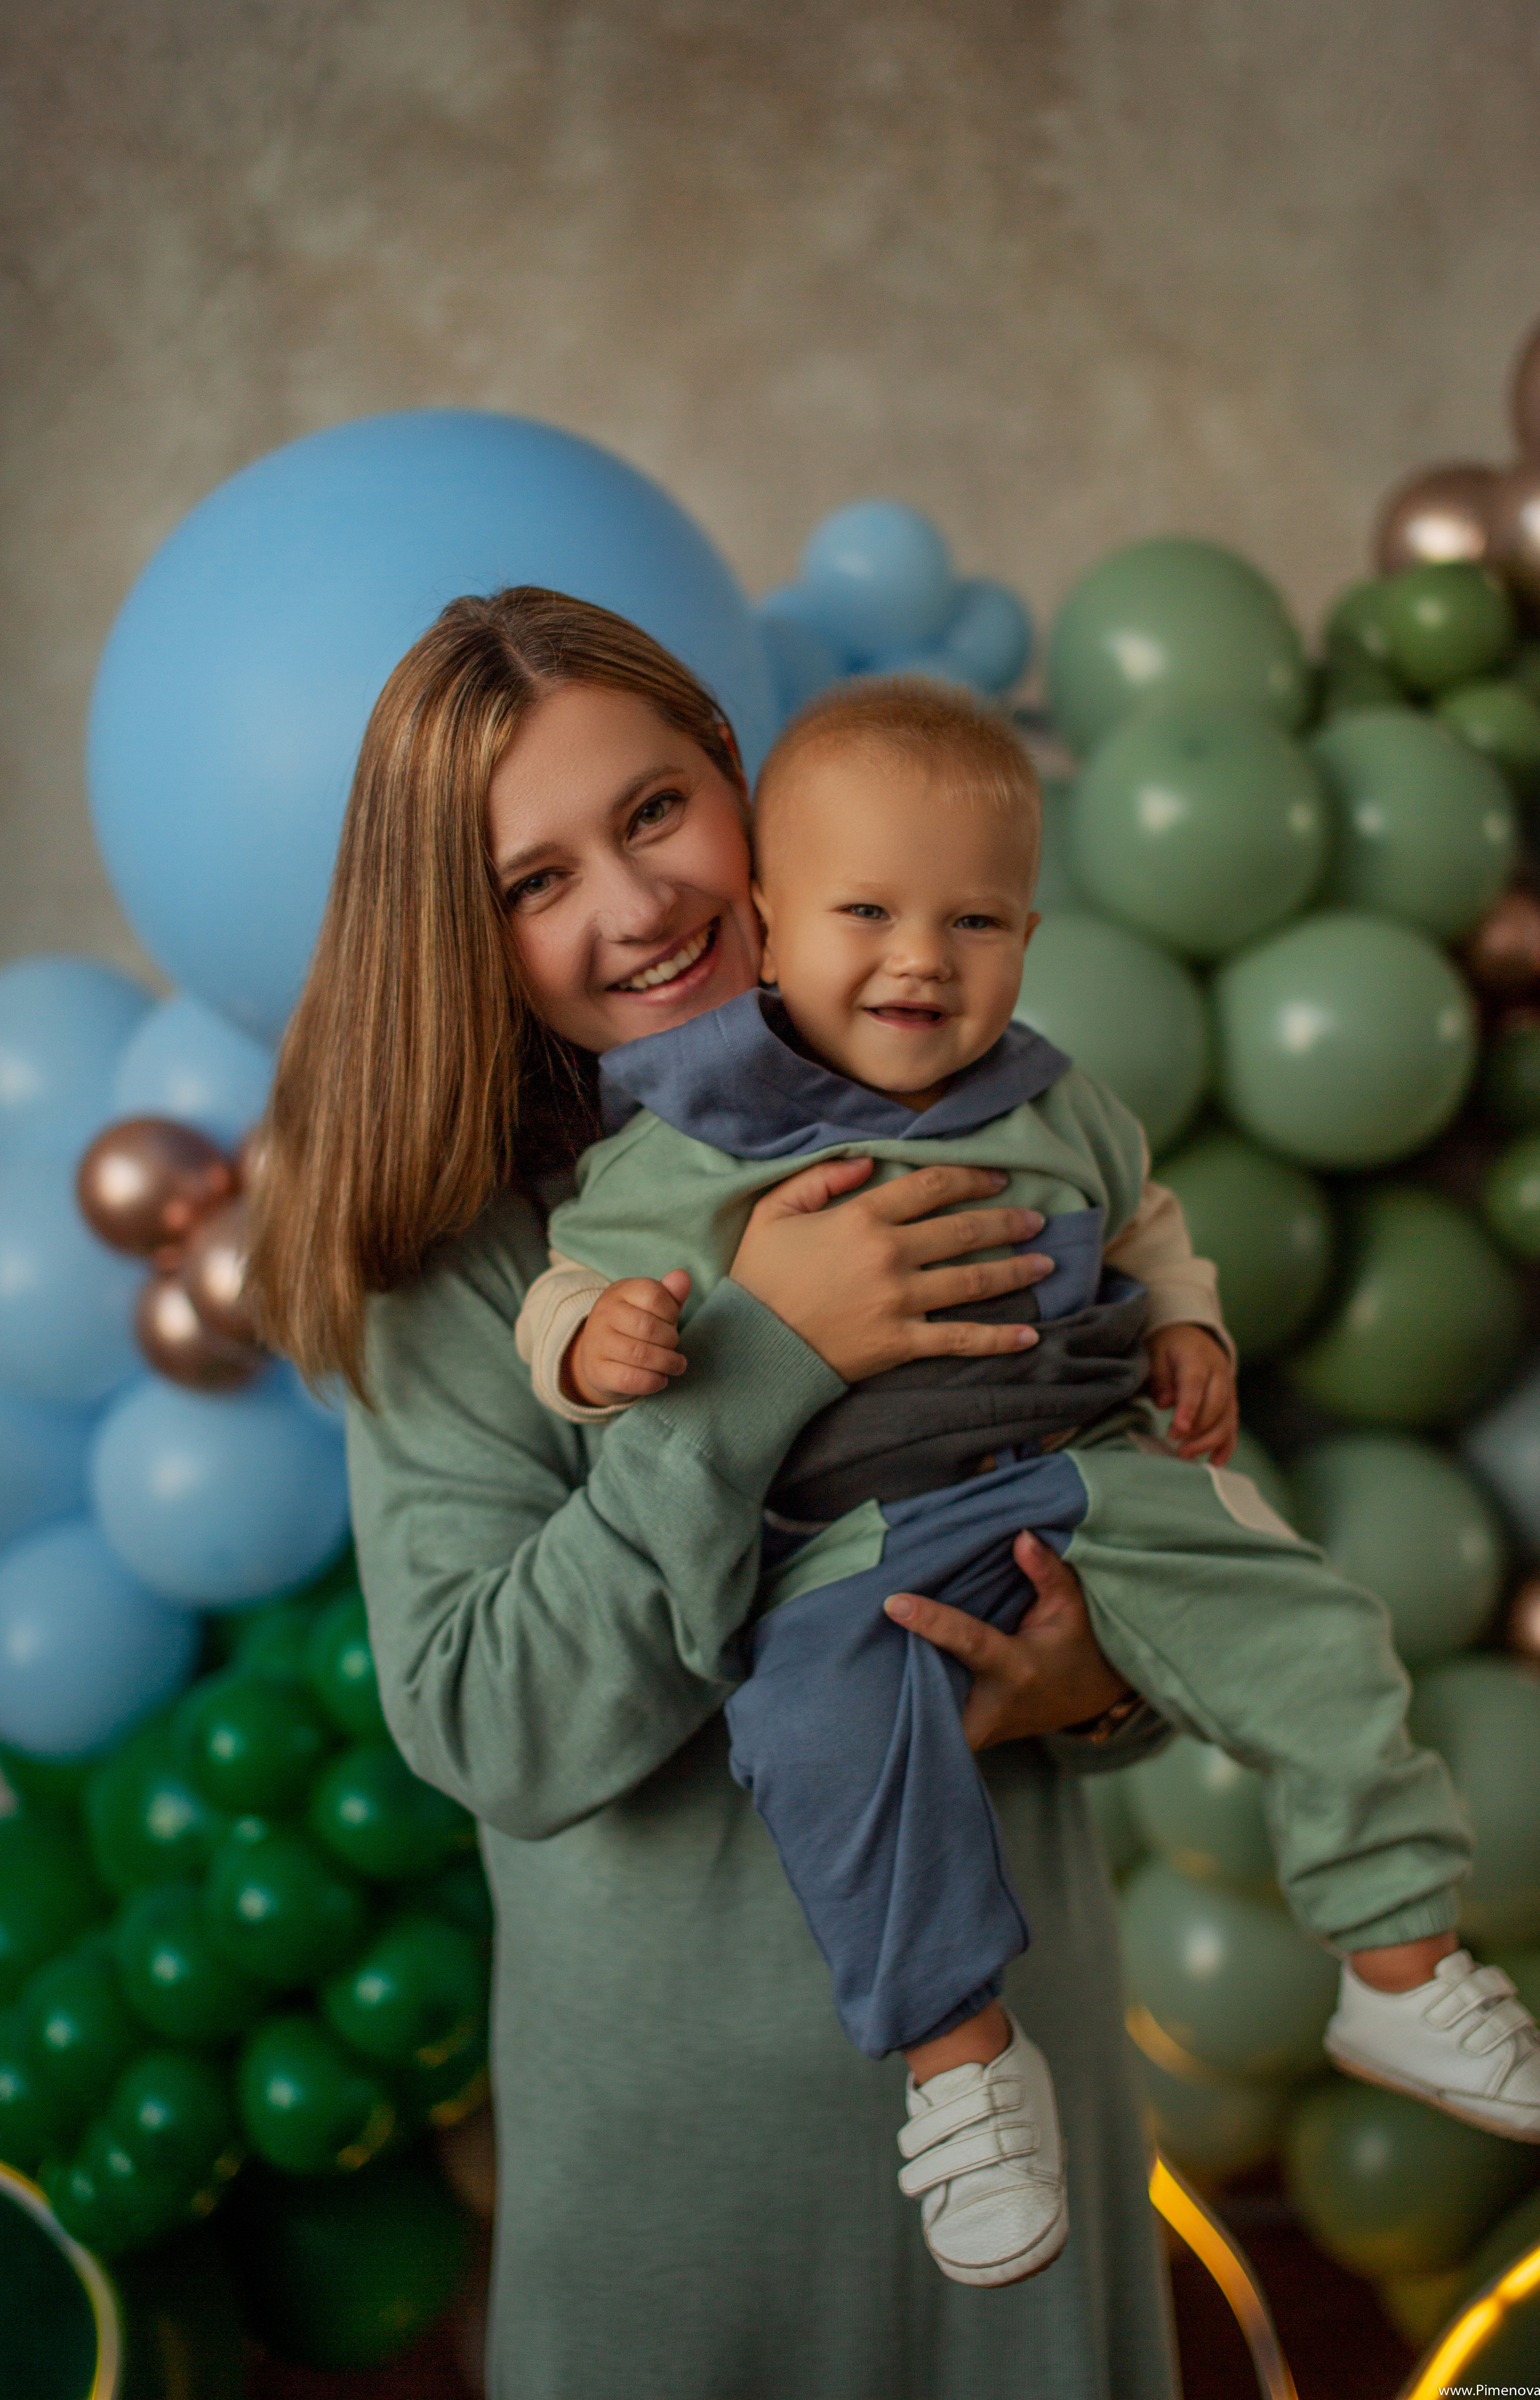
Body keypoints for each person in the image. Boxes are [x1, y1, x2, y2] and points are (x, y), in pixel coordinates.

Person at [514, 678, 1540, 2288]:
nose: (917, 960)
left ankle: (1397, 1960)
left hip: (1089, 1476)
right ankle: (957, 2074)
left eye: (975, 921)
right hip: (858, 1540)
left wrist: (1187, 1326)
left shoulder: (1051, 1096)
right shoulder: (699, 1129)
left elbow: (1145, 1222)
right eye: (863, 912)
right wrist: (592, 1341)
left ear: (1029, 933)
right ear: (767, 917)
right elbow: (569, 1274)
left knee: (1311, 1624)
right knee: (816, 1730)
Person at [250, 587, 1183, 2400]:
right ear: (467, 928)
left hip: (1032, 2104)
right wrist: (771, 1353)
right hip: (690, 2178)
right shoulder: (451, 1263)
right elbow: (492, 1724)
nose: (634, 902)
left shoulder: (956, 1096)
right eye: (536, 879)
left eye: (656, 811)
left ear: (741, 791)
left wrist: (1106, 1678)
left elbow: (1151, 1504)